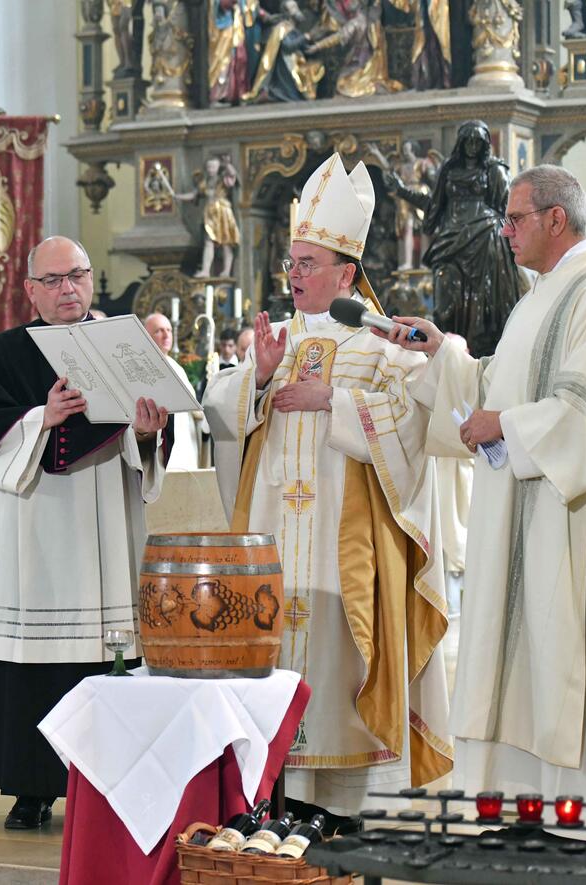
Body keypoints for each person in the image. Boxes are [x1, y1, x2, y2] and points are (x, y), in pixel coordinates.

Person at [383, 164, 586, 805]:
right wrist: (443, 355)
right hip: (524, 521)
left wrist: (504, 424)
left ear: (555, 219)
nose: (504, 231)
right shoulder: (540, 297)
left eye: (514, 220)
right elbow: (497, 386)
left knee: (568, 663)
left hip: (571, 532)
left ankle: (585, 812)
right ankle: (529, 807)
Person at [204, 153, 451, 830]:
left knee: (341, 665)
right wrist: (256, 378)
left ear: (346, 272)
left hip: (344, 553)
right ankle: (273, 792)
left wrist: (336, 401)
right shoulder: (275, 341)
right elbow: (219, 409)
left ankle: (341, 804)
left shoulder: (379, 342)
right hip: (276, 547)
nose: (294, 274)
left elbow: (413, 425)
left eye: (308, 263)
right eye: (291, 261)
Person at [0, 236, 170, 830]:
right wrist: (40, 420)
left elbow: (151, 436)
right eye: (52, 281)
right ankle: (31, 790)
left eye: (76, 276)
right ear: (29, 290)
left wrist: (150, 432)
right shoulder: (2, 356)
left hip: (106, 529)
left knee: (103, 660)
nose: (66, 290)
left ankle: (108, 787)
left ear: (90, 279)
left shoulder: (122, 347)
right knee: (33, 663)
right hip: (32, 536)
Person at [386, 119, 524, 357]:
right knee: (445, 305)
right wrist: (401, 191)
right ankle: (449, 353)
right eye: (467, 139)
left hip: (485, 241)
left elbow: (508, 208)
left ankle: (481, 357)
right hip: (451, 241)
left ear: (484, 143)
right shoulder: (449, 169)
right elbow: (434, 205)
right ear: (461, 142)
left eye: (477, 140)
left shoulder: (494, 169)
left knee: (484, 305)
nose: (472, 145)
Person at [144, 312, 203, 470]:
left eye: (169, 330)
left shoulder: (176, 366)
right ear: (146, 335)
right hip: (163, 447)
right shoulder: (145, 366)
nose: (166, 335)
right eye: (159, 331)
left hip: (185, 441)